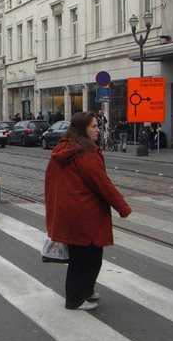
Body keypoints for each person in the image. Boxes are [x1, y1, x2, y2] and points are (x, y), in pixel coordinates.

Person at [45, 111, 132, 311]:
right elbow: (102, 183)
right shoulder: (86, 152)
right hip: (85, 213)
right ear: (83, 128)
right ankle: (75, 299)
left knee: (86, 256)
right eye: (93, 126)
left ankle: (86, 290)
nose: (97, 129)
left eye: (97, 125)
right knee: (86, 258)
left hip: (70, 213)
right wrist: (122, 207)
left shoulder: (64, 148)